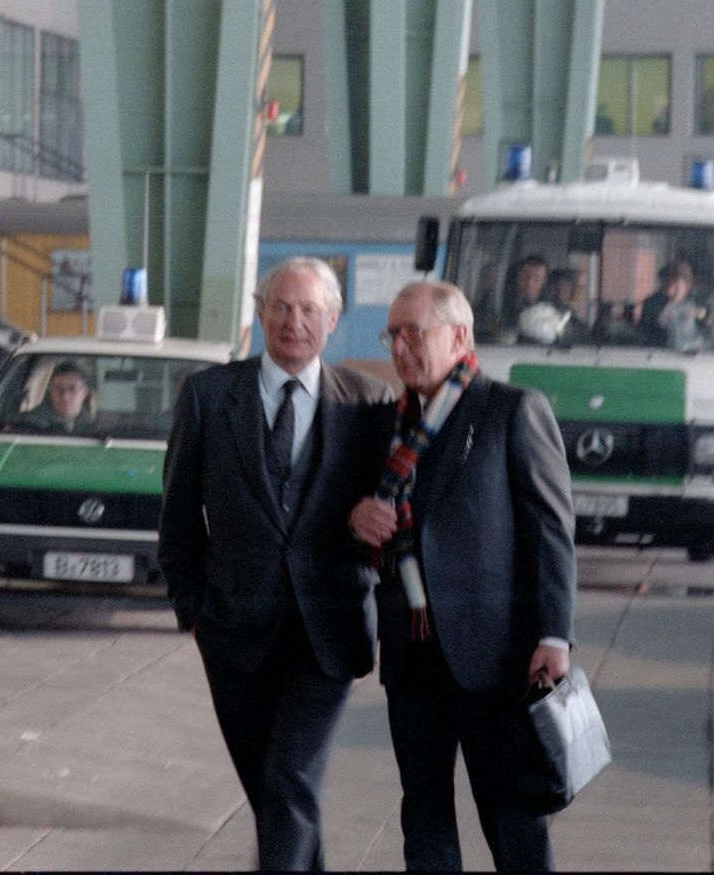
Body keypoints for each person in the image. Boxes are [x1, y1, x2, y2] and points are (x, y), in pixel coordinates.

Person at [158, 256, 395, 870]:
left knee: (289, 778)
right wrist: (192, 610)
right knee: (273, 792)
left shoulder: (370, 404)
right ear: (260, 314)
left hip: (330, 630)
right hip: (232, 628)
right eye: (282, 307)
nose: (295, 322)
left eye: (310, 310)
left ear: (333, 319)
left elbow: (394, 507)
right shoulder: (209, 397)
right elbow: (179, 510)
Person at [349, 280, 576, 871]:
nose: (400, 347)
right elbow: (351, 504)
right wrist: (357, 515)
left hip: (495, 658)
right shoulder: (387, 424)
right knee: (423, 815)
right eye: (392, 334)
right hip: (411, 654)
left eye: (413, 333)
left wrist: (554, 635)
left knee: (512, 819)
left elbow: (550, 532)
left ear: (460, 336)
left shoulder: (511, 410)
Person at [637, 259, 706, 349]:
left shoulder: (696, 302)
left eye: (678, 285)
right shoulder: (652, 304)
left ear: (687, 285)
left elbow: (707, 323)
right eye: (668, 284)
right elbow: (644, 333)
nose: (672, 289)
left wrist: (700, 314)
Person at [17, 360, 96, 433]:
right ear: (50, 391)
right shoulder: (28, 424)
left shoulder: (96, 428)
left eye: (72, 389)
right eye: (59, 389)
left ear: (84, 393)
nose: (65, 396)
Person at [499, 254, 550, 336]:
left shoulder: (553, 308)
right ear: (518, 276)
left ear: (544, 282)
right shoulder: (502, 303)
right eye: (526, 276)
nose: (529, 283)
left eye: (536, 278)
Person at [548, 268, 593, 344]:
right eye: (568, 287)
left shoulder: (577, 324)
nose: (576, 293)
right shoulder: (544, 313)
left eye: (581, 288)